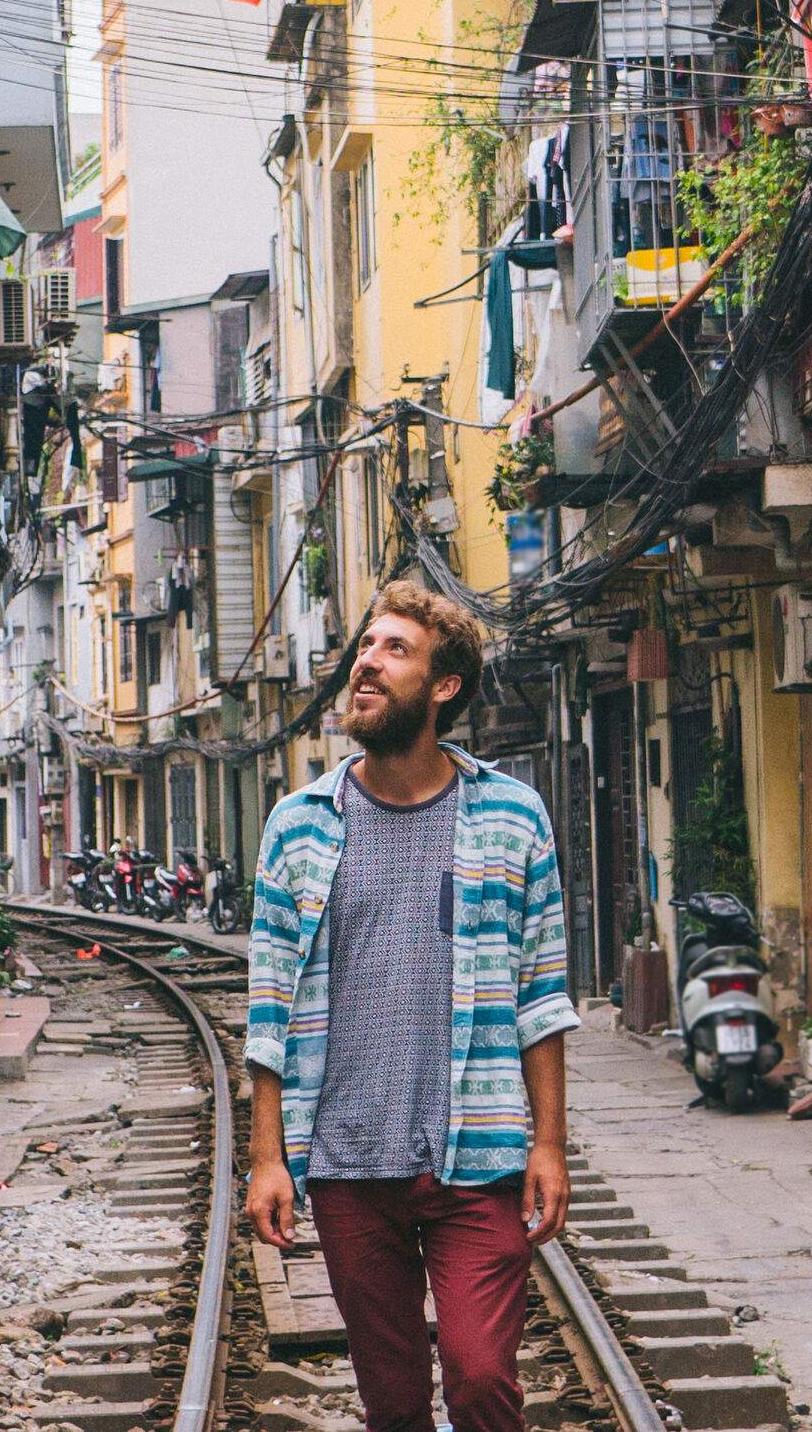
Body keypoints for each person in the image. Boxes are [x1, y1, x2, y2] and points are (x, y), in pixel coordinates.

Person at [240, 582, 578, 1432]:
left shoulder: (511, 815)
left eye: (394, 650)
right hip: (351, 1160)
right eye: (367, 646)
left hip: (480, 1155)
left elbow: (541, 993)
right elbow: (269, 1004)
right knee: (390, 1400)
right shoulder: (299, 824)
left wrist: (549, 1143)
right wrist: (268, 1158)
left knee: (478, 1380)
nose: (367, 663)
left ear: (443, 687)